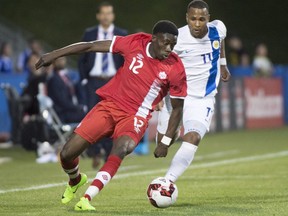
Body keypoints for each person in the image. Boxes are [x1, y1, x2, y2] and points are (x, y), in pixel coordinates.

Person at [35, 20, 187, 211]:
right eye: (165, 43)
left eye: (173, 45)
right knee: (66, 154)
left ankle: (87, 197)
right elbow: (90, 46)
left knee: (122, 148)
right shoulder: (135, 43)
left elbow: (178, 108)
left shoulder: (175, 67)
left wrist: (164, 142)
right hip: (109, 106)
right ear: (153, 38)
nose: (169, 48)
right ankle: (76, 180)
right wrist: (54, 54)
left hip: (135, 115)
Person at [154, 0, 231, 183]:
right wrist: (157, 95)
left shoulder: (218, 29)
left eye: (202, 19)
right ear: (187, 18)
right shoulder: (176, 38)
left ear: (208, 19)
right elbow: (160, 66)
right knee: (163, 142)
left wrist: (223, 64)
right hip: (176, 97)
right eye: (193, 19)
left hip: (202, 99)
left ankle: (167, 182)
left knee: (193, 137)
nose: (197, 24)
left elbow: (221, 41)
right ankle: (171, 133)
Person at [78, 1, 128, 168]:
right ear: (98, 16)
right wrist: (84, 79)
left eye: (109, 13)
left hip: (113, 82)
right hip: (93, 81)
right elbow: (82, 57)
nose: (106, 16)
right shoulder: (90, 33)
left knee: (112, 117)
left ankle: (108, 152)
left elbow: (125, 60)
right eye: (103, 13)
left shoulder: (121, 34)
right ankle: (95, 151)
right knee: (93, 117)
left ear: (113, 15)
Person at [47, 57, 86, 124]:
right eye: (59, 60)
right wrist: (77, 108)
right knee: (87, 116)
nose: (62, 61)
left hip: (70, 109)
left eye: (63, 59)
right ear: (54, 63)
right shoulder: (54, 79)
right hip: (62, 112)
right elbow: (61, 101)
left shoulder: (65, 76)